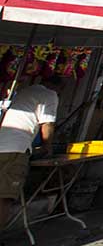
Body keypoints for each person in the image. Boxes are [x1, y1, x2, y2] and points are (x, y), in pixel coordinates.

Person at [0, 77, 61, 231]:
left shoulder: (23, 92)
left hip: (5, 144)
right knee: (4, 197)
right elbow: (47, 124)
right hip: (15, 149)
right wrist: (47, 147)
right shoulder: (50, 95)